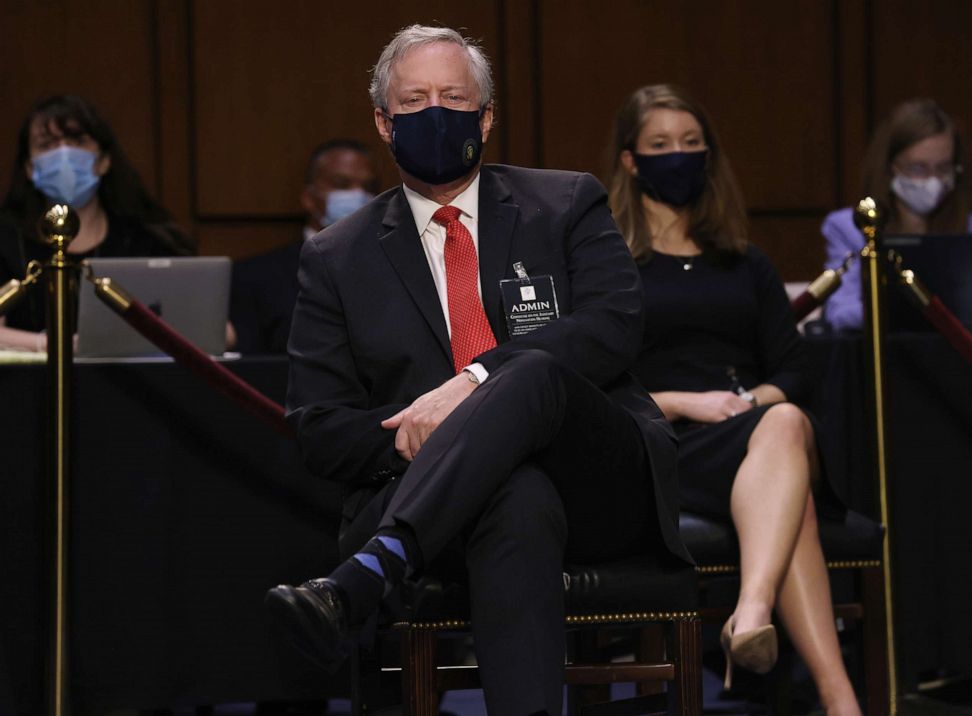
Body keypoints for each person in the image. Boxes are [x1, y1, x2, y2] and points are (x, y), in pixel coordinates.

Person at [265, 26, 690, 715]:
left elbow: (614, 328)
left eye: (454, 97)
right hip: (445, 502)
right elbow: (320, 427)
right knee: (515, 492)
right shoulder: (336, 257)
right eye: (415, 100)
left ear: (486, 117)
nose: (436, 112)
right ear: (383, 122)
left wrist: (470, 386)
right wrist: (419, 435)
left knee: (528, 373)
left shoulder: (566, 202)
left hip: (595, 482)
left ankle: (367, 575)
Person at [607, 84, 862, 715]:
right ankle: (839, 700)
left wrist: (747, 403)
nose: (680, 156)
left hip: (752, 431)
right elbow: (597, 379)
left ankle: (753, 614)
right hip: (665, 440)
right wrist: (685, 402)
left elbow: (795, 368)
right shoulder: (610, 263)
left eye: (692, 144)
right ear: (631, 161)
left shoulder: (744, 261)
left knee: (783, 422)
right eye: (661, 145)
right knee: (789, 465)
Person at [0, 94, 193, 351]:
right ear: (29, 167)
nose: (64, 154)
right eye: (47, 145)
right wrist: (51, 345)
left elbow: (215, 331)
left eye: (77, 141)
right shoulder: (5, 242)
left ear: (103, 161)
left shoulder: (145, 242)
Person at [822, 98, 972, 330]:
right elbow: (839, 313)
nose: (932, 180)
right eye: (918, 168)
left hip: (953, 358)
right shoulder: (849, 226)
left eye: (943, 168)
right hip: (881, 355)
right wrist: (911, 310)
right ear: (891, 167)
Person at [229, 139, 378, 354]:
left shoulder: (397, 267)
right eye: (342, 185)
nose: (358, 195)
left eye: (368, 187)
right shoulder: (256, 277)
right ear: (309, 198)